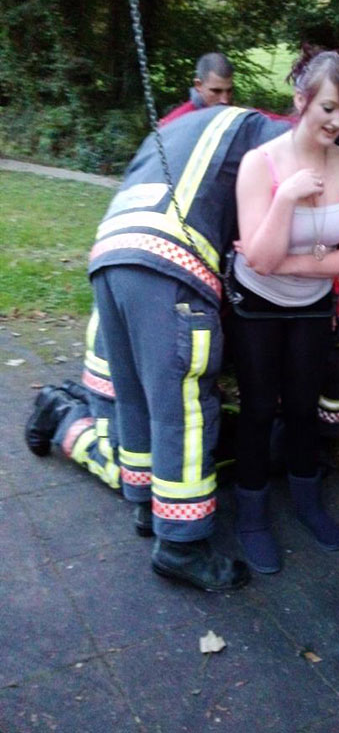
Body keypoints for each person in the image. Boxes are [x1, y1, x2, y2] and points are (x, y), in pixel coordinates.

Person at [25, 104, 292, 592]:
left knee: (137, 398)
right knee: (185, 411)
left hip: (111, 253)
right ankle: (182, 545)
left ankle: (148, 508)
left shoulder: (191, 124)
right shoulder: (280, 141)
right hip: (171, 268)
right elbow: (265, 243)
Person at [228, 47, 339, 575]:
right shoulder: (259, 165)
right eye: (329, 108)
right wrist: (285, 198)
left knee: (305, 403)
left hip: (312, 306)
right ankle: (251, 513)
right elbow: (258, 262)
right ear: (300, 100)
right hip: (257, 308)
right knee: (261, 405)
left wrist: (293, 261)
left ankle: (307, 502)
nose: (338, 121)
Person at [158, 52, 233, 126]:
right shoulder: (174, 123)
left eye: (229, 91)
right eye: (216, 91)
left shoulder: (232, 115)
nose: (224, 100)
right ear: (198, 85)